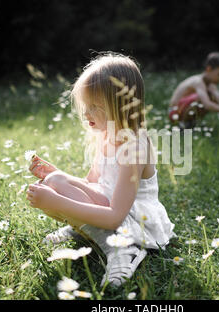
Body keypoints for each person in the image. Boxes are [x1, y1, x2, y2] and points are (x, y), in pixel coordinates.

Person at [26, 52, 176, 287]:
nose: (86, 114)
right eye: (86, 105)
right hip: (111, 208)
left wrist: (56, 203)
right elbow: (91, 184)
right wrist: (56, 175)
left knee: (57, 191)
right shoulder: (105, 135)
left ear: (121, 105)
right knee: (55, 181)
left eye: (95, 107)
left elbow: (116, 216)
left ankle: (123, 251)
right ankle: (85, 229)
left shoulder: (134, 146)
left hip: (135, 220)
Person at [168, 52, 219, 129]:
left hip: (183, 111)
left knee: (210, 97)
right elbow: (207, 105)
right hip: (175, 113)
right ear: (209, 69)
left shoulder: (211, 85)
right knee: (201, 99)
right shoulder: (198, 81)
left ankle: (191, 124)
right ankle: (183, 125)